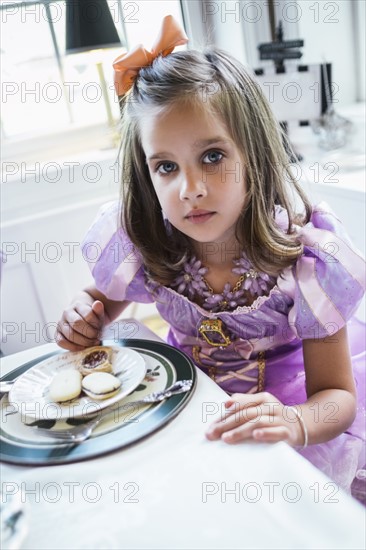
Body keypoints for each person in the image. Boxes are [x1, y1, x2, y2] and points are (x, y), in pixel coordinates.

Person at [56, 16, 365, 500]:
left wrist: (296, 422)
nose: (191, 189)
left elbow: (338, 398)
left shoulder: (304, 262)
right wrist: (83, 312)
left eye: (213, 156)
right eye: (166, 166)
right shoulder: (143, 241)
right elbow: (102, 301)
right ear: (146, 173)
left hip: (280, 412)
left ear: (255, 152)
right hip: (181, 406)